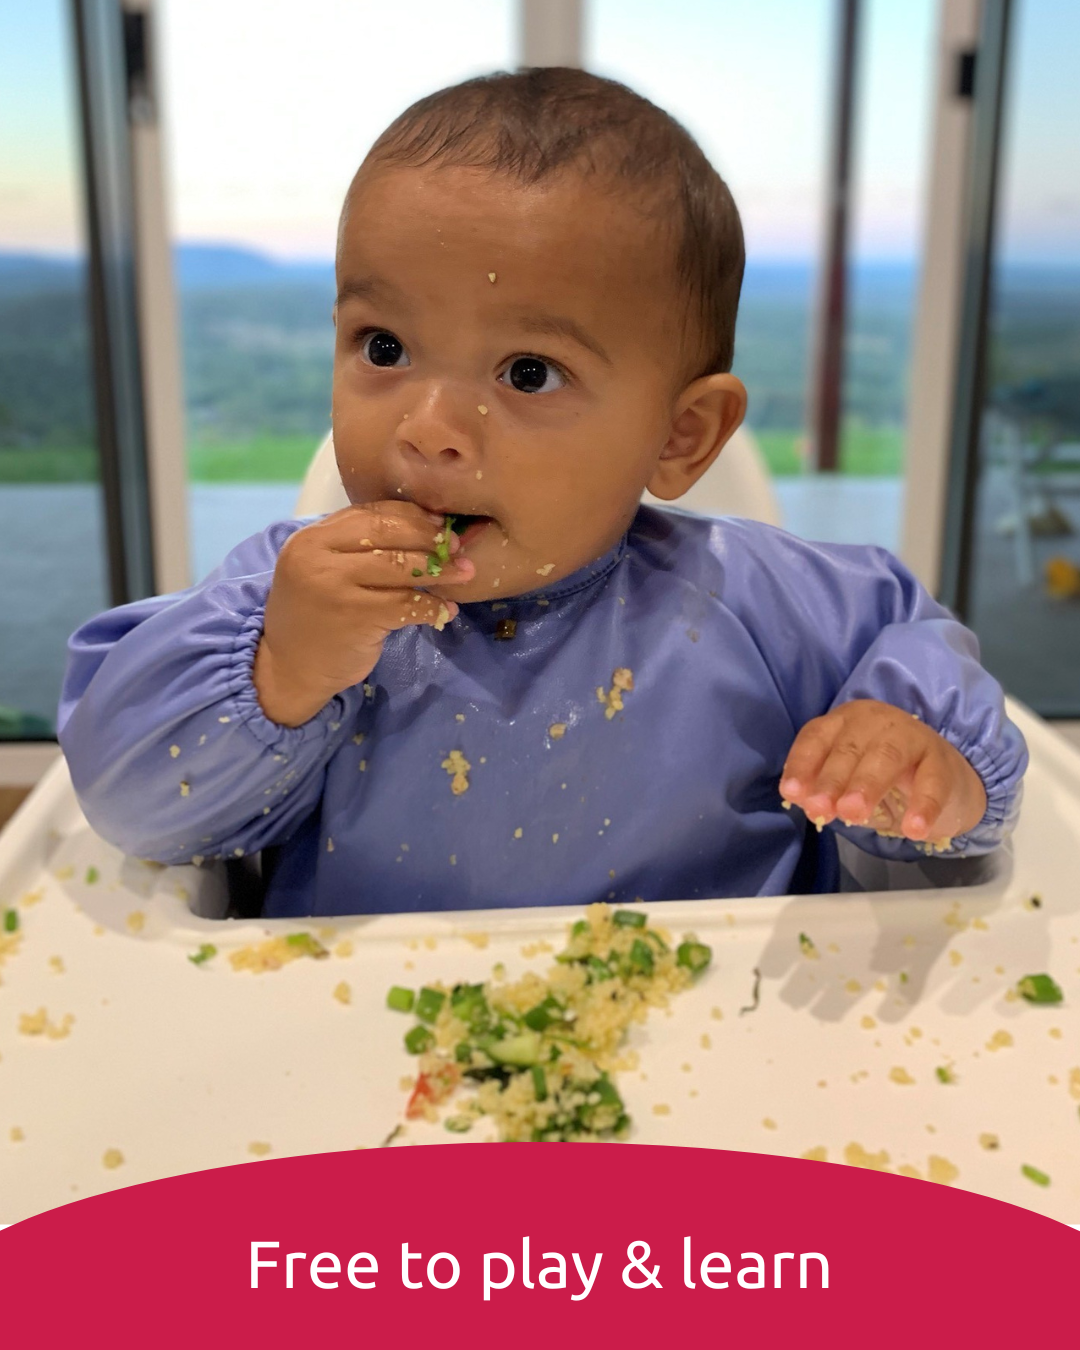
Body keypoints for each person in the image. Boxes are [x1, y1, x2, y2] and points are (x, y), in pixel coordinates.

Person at [58, 68, 1027, 917]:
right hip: (368, 1043)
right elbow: (134, 807)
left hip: (721, 1037)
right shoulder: (289, 602)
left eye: (527, 373)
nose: (427, 426)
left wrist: (912, 759)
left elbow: (932, 701)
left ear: (680, 435)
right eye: (383, 348)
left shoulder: (767, 607)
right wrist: (280, 671)